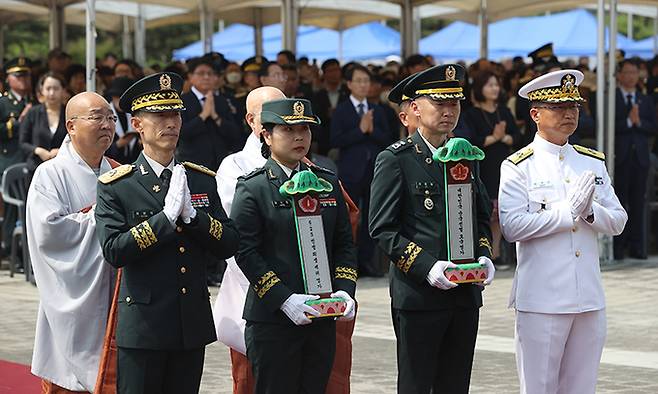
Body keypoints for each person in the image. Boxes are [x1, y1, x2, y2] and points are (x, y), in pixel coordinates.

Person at [94, 72, 239, 393]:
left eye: (175, 114)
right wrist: (164, 220)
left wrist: (194, 218)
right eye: (159, 115)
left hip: (191, 323)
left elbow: (229, 243)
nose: (170, 123)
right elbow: (114, 250)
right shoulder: (119, 185)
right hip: (145, 326)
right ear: (137, 125)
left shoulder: (199, 179)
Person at [499, 69, 628, 394]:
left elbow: (618, 220)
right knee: (539, 387)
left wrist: (588, 212)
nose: (569, 114)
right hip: (543, 298)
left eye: (573, 107)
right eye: (558, 107)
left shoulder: (590, 162)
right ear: (535, 113)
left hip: (587, 296)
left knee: (581, 387)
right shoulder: (518, 166)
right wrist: (565, 213)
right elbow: (512, 226)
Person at [369, 64, 495, 394]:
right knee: (416, 384)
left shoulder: (466, 156)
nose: (449, 111)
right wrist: (428, 266)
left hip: (465, 293)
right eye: (439, 103)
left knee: (455, 385)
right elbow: (382, 229)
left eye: (454, 103)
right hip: (419, 295)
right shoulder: (396, 159)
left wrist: (483, 253)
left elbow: (481, 216)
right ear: (413, 109)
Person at [232, 98, 357, 394]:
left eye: (305, 129)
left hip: (321, 315)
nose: (299, 137)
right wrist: (284, 299)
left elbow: (343, 243)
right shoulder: (254, 187)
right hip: (274, 320)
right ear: (266, 135)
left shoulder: (326, 181)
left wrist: (344, 290)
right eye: (288, 130)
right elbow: (246, 251)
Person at [27, 91, 117, 393]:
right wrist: (103, 217)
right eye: (96, 117)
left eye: (111, 118)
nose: (106, 124)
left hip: (114, 295)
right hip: (71, 295)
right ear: (71, 126)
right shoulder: (49, 175)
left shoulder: (117, 172)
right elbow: (50, 232)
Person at [331, 64, 393, 277]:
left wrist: (371, 130)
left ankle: (367, 261)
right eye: (358, 81)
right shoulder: (341, 110)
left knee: (372, 216)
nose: (363, 85)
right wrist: (359, 130)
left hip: (374, 169)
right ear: (349, 84)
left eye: (366, 81)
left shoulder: (379, 110)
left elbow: (387, 139)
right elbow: (335, 140)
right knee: (349, 218)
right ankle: (349, 264)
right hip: (350, 171)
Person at [460, 70, 521, 265]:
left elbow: (518, 137)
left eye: (496, 84)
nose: (494, 89)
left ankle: (495, 252)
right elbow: (469, 141)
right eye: (489, 85)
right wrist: (493, 138)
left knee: (500, 210)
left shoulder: (503, 111)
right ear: (479, 89)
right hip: (483, 165)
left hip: (502, 163)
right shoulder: (471, 114)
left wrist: (503, 137)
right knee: (486, 210)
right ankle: (484, 251)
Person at [613, 59, 657, 259]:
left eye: (634, 72)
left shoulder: (644, 99)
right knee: (619, 202)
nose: (631, 76)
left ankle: (638, 246)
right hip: (620, 156)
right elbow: (609, 126)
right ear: (619, 75)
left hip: (639, 157)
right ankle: (618, 247)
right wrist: (629, 120)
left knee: (638, 202)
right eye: (627, 72)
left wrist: (638, 123)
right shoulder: (611, 98)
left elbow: (652, 127)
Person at [178, 57, 242, 172]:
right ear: (190, 77)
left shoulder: (222, 101)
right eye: (201, 73)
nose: (206, 77)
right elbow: (181, 132)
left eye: (210, 73)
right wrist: (203, 116)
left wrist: (215, 117)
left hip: (221, 165)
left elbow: (235, 132)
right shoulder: (182, 101)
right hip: (192, 164)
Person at [0, 57, 35, 260]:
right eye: (18, 75)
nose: (23, 79)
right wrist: (17, 123)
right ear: (8, 78)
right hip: (10, 161)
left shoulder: (33, 101)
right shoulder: (4, 103)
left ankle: (27, 254)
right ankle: (11, 253)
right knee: (13, 209)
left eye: (26, 75)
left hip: (31, 161)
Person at [19, 72, 68, 174]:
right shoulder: (33, 112)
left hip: (63, 168)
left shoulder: (69, 113)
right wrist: (38, 150)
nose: (51, 93)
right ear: (42, 91)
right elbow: (23, 143)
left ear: (63, 90)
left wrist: (61, 150)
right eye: (48, 88)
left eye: (56, 88)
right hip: (35, 168)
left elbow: (76, 141)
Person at [105, 76, 141, 164]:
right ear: (113, 97)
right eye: (118, 97)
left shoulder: (134, 114)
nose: (121, 101)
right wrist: (118, 145)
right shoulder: (104, 117)